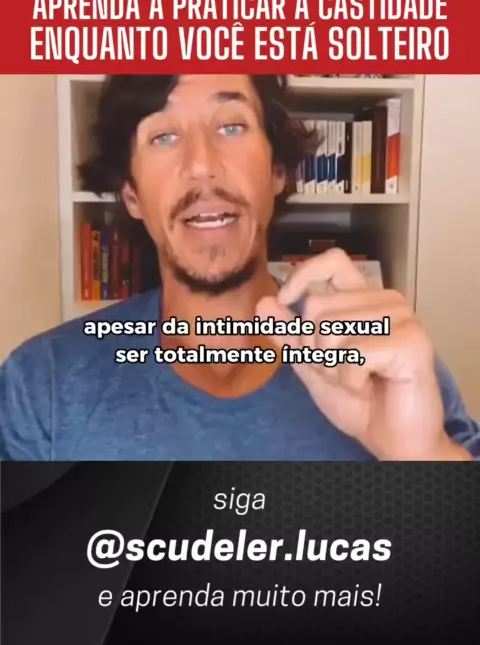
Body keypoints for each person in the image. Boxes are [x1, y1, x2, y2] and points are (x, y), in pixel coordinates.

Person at [0, 73, 479, 461]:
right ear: (132, 196)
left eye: (231, 127)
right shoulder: (44, 387)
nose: (201, 164)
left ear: (277, 172)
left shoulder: (383, 362)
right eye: (163, 136)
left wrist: (424, 457)